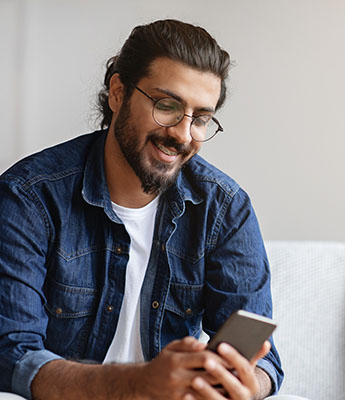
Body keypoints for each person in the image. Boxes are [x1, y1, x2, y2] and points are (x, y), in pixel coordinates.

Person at [0, 19, 283, 399]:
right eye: (166, 106)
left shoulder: (225, 209)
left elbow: (264, 361)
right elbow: (12, 356)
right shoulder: (29, 197)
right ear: (117, 93)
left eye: (200, 119)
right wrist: (137, 384)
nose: (182, 135)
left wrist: (248, 384)